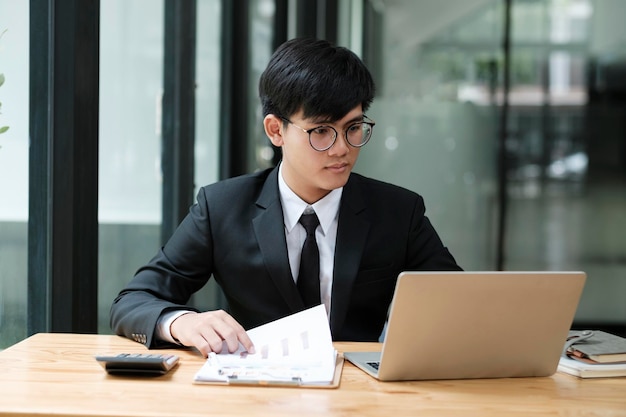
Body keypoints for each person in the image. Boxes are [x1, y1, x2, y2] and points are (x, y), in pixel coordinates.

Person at [110, 37, 461, 357]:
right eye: (322, 131)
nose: (342, 149)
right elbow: (132, 301)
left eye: (353, 128)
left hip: (359, 395)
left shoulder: (398, 212)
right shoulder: (223, 208)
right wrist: (181, 322)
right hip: (255, 391)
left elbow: (460, 302)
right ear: (276, 130)